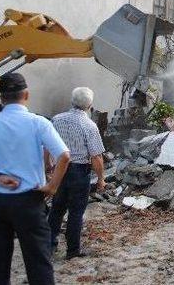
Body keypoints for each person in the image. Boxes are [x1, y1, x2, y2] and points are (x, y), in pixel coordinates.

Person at [0, 73, 71, 285]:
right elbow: (64, 155)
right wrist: (52, 187)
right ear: (26, 94)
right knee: (39, 264)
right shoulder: (38, 123)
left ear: (1, 98)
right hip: (30, 202)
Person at [48, 87, 105, 260]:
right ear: (89, 105)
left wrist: (47, 167)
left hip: (59, 169)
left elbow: (46, 146)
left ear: (72, 101)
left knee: (56, 209)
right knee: (76, 212)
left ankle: (49, 246)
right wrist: (101, 179)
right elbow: (96, 156)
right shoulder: (89, 125)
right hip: (79, 172)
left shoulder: (56, 120)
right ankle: (72, 251)